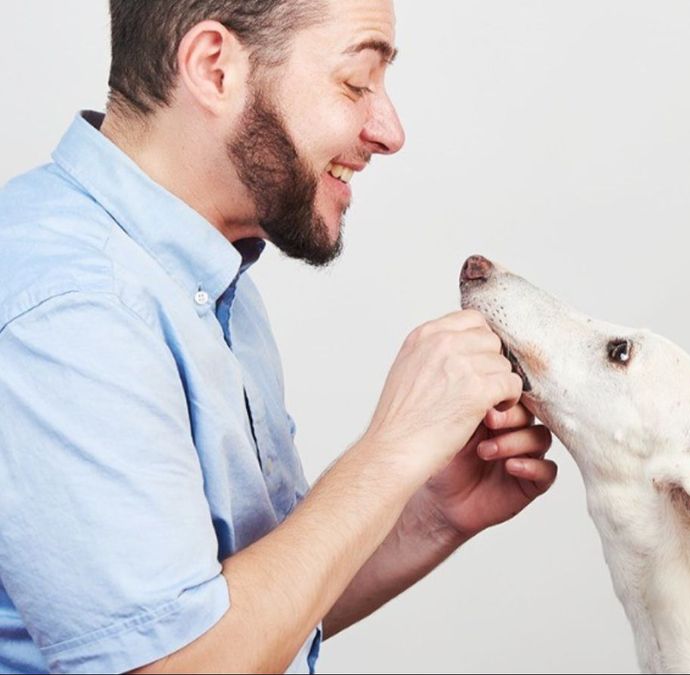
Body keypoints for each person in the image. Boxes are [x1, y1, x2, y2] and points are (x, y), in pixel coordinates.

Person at [0, 1, 556, 672]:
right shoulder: (68, 306)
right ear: (214, 68)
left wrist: (434, 511)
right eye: (356, 81)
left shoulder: (206, 275)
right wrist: (393, 448)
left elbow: (237, 620)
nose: (390, 130)